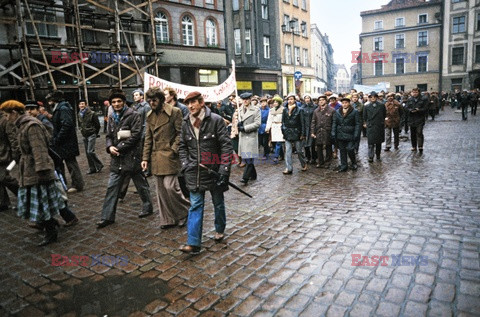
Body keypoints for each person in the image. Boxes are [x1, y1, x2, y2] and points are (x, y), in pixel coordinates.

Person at [0, 100, 64, 246]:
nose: (5, 118)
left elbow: (39, 150)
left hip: (37, 171)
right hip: (29, 167)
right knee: (38, 200)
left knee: (42, 201)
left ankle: (51, 231)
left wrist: (41, 172)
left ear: (14, 113)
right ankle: (50, 224)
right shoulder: (22, 125)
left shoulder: (31, 126)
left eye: (6, 115)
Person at [178, 91, 233, 254]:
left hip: (214, 170)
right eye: (187, 103)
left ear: (201, 103)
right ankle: (193, 243)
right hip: (194, 171)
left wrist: (224, 169)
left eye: (193, 102)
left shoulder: (215, 120)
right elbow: (182, 146)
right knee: (195, 205)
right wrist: (185, 164)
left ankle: (220, 228)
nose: (190, 106)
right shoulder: (186, 122)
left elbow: (226, 146)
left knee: (218, 202)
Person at [97, 89, 154, 228]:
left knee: (141, 184)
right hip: (116, 158)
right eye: (114, 102)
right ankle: (107, 217)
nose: (116, 104)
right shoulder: (111, 117)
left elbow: (135, 136)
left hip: (132, 157)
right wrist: (110, 147)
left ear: (123, 102)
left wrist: (120, 147)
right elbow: (109, 135)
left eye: (119, 101)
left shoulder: (133, 115)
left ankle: (148, 206)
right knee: (112, 187)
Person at [142, 87, 189, 229]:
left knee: (170, 187)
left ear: (161, 99)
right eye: (149, 101)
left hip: (170, 156)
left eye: (154, 100)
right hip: (156, 156)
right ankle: (167, 219)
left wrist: (173, 149)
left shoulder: (175, 112)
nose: (151, 103)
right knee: (161, 191)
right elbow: (148, 138)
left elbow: (181, 133)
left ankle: (185, 212)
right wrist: (145, 159)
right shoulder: (149, 115)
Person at [46, 90, 84, 193]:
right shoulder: (61, 108)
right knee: (68, 162)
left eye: (50, 100)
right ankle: (68, 184)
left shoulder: (62, 108)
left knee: (71, 163)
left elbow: (66, 124)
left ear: (54, 99)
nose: (49, 103)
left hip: (66, 142)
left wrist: (57, 138)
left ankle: (77, 185)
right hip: (65, 142)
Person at [237, 92, 261, 185]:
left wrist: (245, 128)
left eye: (247, 99)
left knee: (249, 158)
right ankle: (253, 175)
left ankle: (245, 178)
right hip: (243, 137)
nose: (245, 101)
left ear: (250, 99)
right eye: (243, 99)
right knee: (247, 158)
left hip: (251, 136)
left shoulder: (255, 110)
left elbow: (257, 123)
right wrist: (238, 125)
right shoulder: (239, 110)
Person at [332, 97, 360, 172]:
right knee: (342, 150)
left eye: (346, 103)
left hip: (350, 134)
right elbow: (335, 123)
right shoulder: (337, 112)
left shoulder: (354, 111)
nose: (344, 104)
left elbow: (357, 123)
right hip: (340, 134)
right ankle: (344, 165)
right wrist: (333, 132)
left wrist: (356, 134)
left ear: (349, 103)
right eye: (343, 103)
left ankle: (353, 162)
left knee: (350, 149)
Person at [282, 93, 307, 174]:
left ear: (295, 100)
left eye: (291, 99)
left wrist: (302, 134)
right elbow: (283, 122)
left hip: (297, 132)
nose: (290, 101)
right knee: (288, 151)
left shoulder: (300, 110)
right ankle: (289, 168)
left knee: (299, 151)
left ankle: (303, 163)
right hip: (287, 132)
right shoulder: (285, 110)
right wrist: (283, 130)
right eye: (289, 99)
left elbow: (303, 123)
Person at [0, 109, 19, 212]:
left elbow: (13, 138)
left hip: (5, 155)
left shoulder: (5, 120)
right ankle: (2, 203)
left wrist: (15, 154)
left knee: (4, 177)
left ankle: (24, 196)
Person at [78, 99, 103, 174]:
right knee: (87, 153)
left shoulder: (92, 113)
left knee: (90, 151)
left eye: (83, 104)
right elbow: (81, 124)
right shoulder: (79, 113)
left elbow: (97, 125)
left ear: (86, 105)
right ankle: (92, 168)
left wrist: (95, 133)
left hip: (91, 134)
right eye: (80, 104)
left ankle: (99, 164)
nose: (81, 105)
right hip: (84, 134)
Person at [310, 94, 334, 168]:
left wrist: (332, 131)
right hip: (318, 130)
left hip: (327, 130)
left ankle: (328, 162)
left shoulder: (331, 110)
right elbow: (313, 122)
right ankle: (320, 162)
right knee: (319, 146)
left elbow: (334, 122)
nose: (321, 101)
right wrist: (312, 132)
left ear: (326, 101)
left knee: (328, 146)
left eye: (322, 100)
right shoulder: (316, 111)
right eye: (320, 100)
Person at [364, 91, 386, 162]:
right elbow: (364, 116)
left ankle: (378, 155)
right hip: (371, 126)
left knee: (378, 142)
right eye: (371, 97)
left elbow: (384, 114)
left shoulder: (381, 105)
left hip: (379, 125)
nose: (373, 98)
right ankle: (370, 156)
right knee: (370, 143)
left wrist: (381, 122)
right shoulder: (366, 106)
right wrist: (366, 123)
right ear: (369, 98)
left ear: (376, 97)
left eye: (374, 97)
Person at [405, 88, 428, 153]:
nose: (414, 93)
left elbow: (426, 108)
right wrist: (410, 110)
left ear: (419, 92)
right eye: (413, 92)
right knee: (412, 133)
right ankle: (414, 146)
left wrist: (419, 110)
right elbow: (406, 107)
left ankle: (420, 146)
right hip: (412, 119)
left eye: (416, 92)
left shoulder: (423, 99)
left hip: (420, 118)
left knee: (419, 132)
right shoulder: (410, 99)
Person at [265, 96, 285, 164]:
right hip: (273, 127)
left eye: (276, 102)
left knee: (279, 142)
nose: (275, 103)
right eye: (274, 102)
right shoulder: (271, 110)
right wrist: (267, 128)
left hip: (280, 126)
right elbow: (269, 119)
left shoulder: (283, 109)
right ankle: (282, 155)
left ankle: (276, 157)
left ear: (279, 103)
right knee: (276, 142)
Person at [302, 94, 317, 164]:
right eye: (305, 98)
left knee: (312, 144)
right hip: (305, 127)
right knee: (305, 144)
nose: (307, 99)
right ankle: (307, 157)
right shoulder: (302, 107)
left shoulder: (314, 107)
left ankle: (314, 157)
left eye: (308, 98)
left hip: (312, 127)